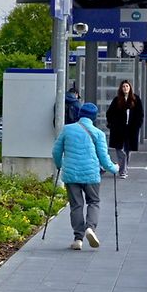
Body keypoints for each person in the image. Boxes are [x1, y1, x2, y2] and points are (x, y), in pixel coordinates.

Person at [52, 101, 118, 250]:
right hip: (91, 175)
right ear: (94, 117)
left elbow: (56, 151)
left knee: (76, 205)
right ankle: (90, 228)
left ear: (80, 114)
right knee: (93, 202)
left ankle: (78, 239)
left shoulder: (67, 129)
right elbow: (104, 159)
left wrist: (59, 164)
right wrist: (114, 168)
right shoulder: (98, 134)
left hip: (71, 175)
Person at [107, 80, 143, 178]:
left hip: (131, 129)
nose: (125, 88)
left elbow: (140, 114)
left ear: (130, 87)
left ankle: (124, 169)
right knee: (120, 150)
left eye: (127, 86)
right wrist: (112, 124)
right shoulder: (117, 100)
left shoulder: (136, 99)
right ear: (121, 88)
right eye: (123, 86)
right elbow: (110, 113)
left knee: (128, 150)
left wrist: (137, 125)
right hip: (118, 129)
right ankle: (123, 171)